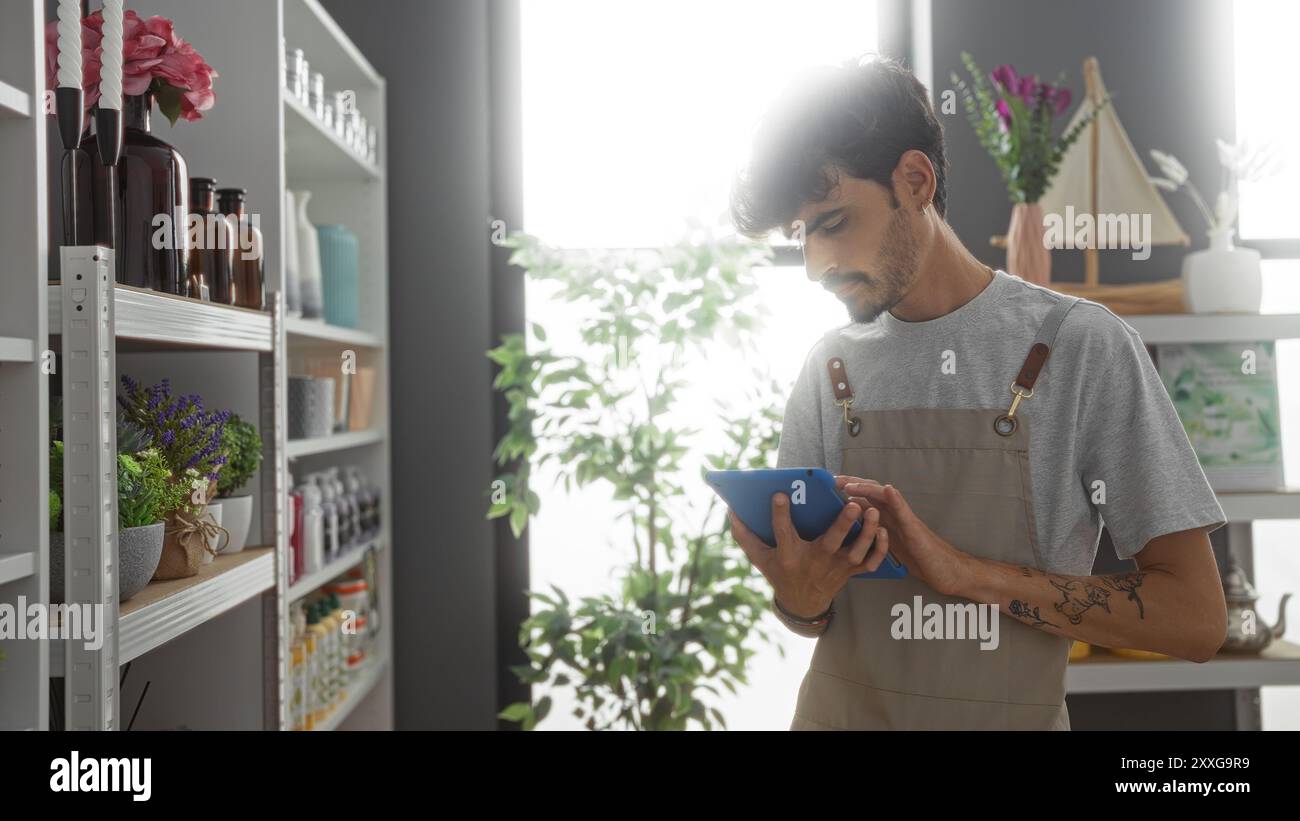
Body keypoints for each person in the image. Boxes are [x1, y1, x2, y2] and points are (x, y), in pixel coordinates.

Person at [726, 55, 1227, 730]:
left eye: (834, 222)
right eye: (801, 235)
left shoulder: (1078, 347)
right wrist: (798, 597)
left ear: (915, 180)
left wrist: (965, 573)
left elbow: (1196, 620)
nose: (816, 265)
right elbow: (811, 616)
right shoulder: (830, 368)